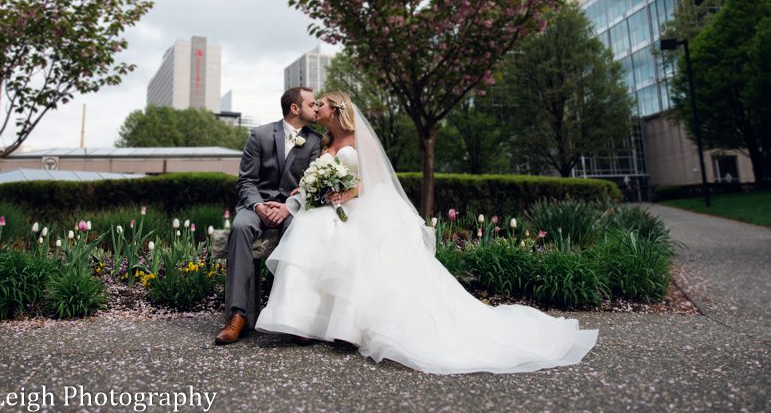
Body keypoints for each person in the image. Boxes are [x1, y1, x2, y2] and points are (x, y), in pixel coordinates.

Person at [255, 91, 599, 374]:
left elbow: (370, 181)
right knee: (312, 229)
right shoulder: (324, 141)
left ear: (337, 108)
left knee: (351, 245)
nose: (317, 109)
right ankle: (304, 321)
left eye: (322, 105)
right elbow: (313, 178)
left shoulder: (359, 139)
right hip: (329, 208)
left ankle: (347, 327)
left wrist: (347, 193)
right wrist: (311, 195)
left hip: (359, 207)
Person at [214, 86, 322, 345]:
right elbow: (246, 181)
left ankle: (293, 315)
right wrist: (259, 206)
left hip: (291, 208)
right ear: (295, 108)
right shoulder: (260, 135)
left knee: (298, 230)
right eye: (312, 103)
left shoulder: (316, 141)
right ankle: (237, 316)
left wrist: (288, 207)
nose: (316, 107)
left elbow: (313, 185)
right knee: (239, 228)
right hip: (256, 207)